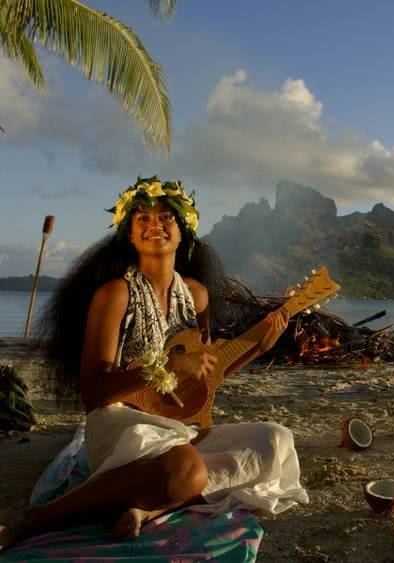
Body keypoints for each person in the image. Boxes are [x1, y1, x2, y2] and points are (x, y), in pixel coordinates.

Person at [0, 176, 308, 551]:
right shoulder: (114, 294)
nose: (154, 226)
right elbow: (93, 392)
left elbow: (203, 381)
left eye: (166, 218)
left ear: (184, 233)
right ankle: (40, 519)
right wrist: (163, 369)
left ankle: (144, 509)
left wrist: (258, 348)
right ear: (129, 236)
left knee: (275, 441)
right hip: (123, 425)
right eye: (141, 219)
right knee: (186, 469)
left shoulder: (196, 295)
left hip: (177, 426)